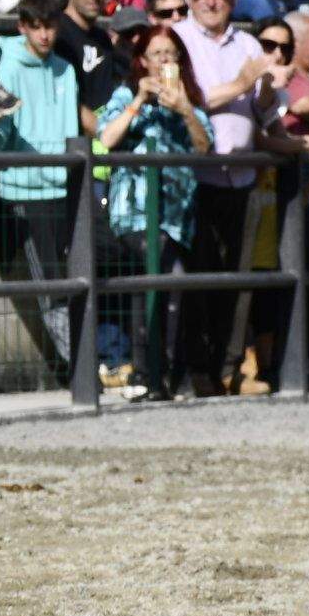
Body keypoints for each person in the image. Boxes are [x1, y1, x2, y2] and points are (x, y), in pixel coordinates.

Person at [94, 22, 215, 398]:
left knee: (165, 283)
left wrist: (184, 110)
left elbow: (204, 147)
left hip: (176, 214)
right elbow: (105, 140)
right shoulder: (125, 94)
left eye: (170, 54)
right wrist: (137, 103)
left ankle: (163, 376)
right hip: (132, 210)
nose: (163, 61)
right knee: (161, 271)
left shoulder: (190, 101)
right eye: (156, 54)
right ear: (142, 61)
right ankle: (147, 372)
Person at [172, 0, 272, 395]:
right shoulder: (178, 39)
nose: (212, 1)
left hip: (243, 175)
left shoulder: (247, 42)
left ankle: (227, 369)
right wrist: (242, 83)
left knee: (236, 280)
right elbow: (193, 99)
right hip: (200, 178)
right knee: (199, 280)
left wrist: (265, 89)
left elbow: (264, 109)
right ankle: (199, 369)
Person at [0, 0, 86, 376]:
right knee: (53, 288)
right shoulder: (7, 66)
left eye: (50, 26)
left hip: (66, 186)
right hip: (25, 190)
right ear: (23, 26)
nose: (44, 35)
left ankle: (90, 360)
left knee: (81, 277)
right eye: (36, 26)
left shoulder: (66, 69)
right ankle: (80, 369)